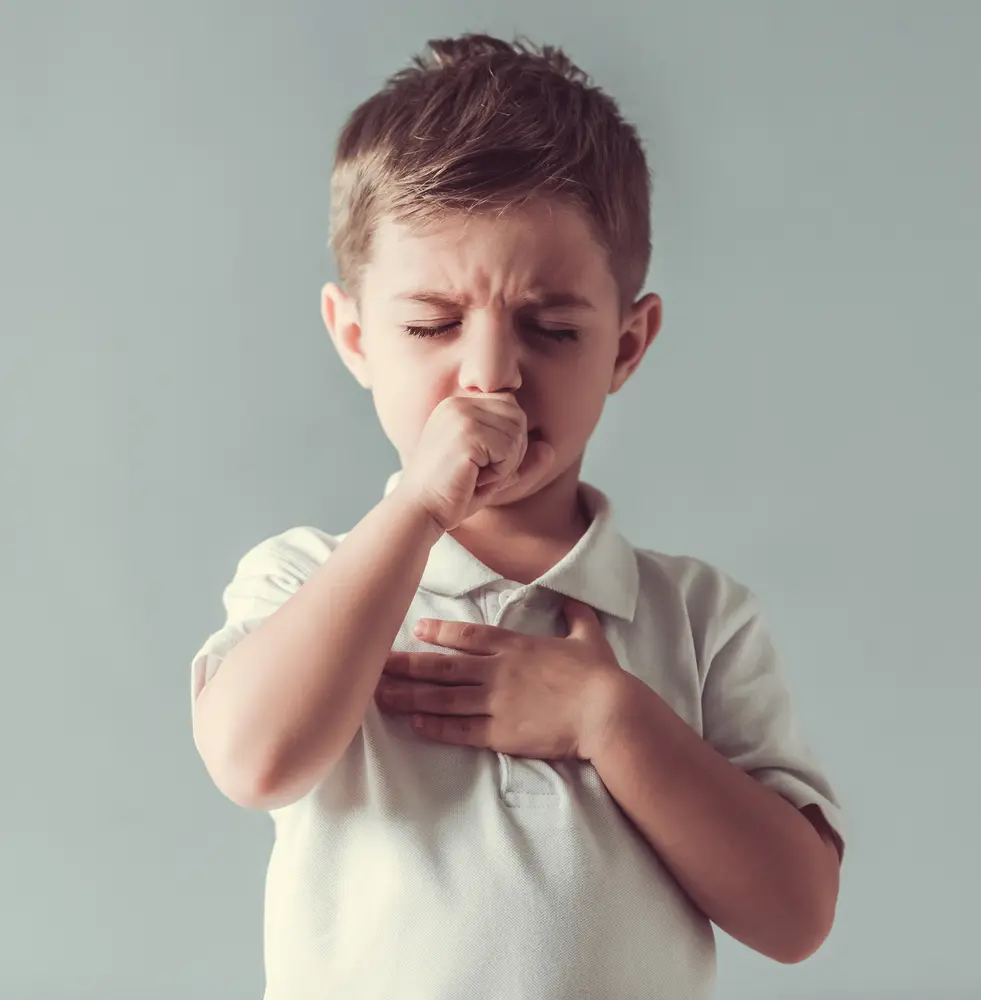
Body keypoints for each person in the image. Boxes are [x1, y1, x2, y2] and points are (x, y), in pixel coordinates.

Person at [189, 33, 845, 999]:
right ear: (356, 336)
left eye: (552, 329)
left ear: (626, 346)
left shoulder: (697, 616)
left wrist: (608, 718)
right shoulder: (304, 579)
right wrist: (417, 504)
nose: (492, 373)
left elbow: (795, 918)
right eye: (431, 325)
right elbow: (253, 761)